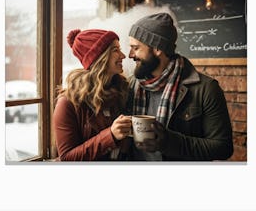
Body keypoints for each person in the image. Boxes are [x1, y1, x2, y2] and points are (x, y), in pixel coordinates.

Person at [127, 12, 234, 161]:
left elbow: (223, 148)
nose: (130, 55)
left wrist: (170, 142)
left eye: (136, 48)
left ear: (158, 49)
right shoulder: (131, 84)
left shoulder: (206, 89)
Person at [53, 29, 132, 161]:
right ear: (100, 57)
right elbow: (67, 158)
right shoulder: (68, 103)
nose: (123, 56)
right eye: (115, 50)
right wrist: (110, 136)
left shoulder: (122, 91)